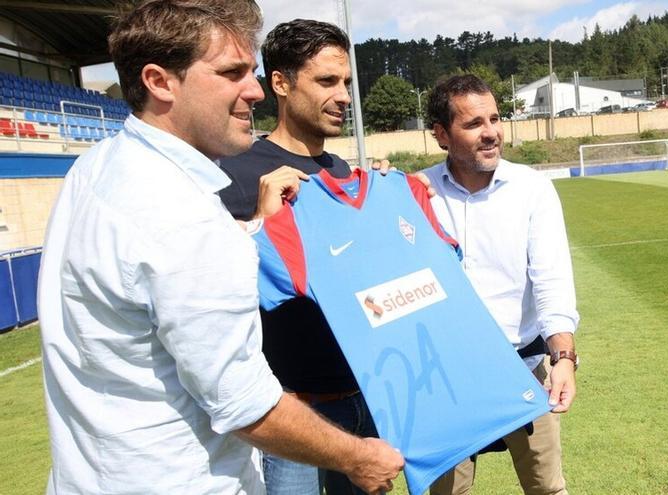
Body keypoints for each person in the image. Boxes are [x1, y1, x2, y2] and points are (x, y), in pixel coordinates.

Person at [37, 2, 402, 494]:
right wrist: (358, 457)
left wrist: (257, 229)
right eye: (232, 73)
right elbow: (242, 403)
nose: (253, 90)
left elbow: (164, 281)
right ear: (160, 81)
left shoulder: (100, 166)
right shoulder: (181, 213)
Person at [218, 19, 386, 495]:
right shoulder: (236, 174)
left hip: (366, 396)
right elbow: (221, 294)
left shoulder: (341, 171)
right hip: (290, 412)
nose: (344, 97)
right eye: (327, 81)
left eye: (347, 83)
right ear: (281, 83)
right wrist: (260, 226)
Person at [423, 74, 580, 495]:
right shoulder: (416, 194)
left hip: (525, 370)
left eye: (495, 118)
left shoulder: (532, 189)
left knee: (548, 489)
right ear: (441, 135)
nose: (491, 132)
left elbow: (552, 280)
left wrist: (563, 357)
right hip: (447, 381)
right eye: (474, 124)